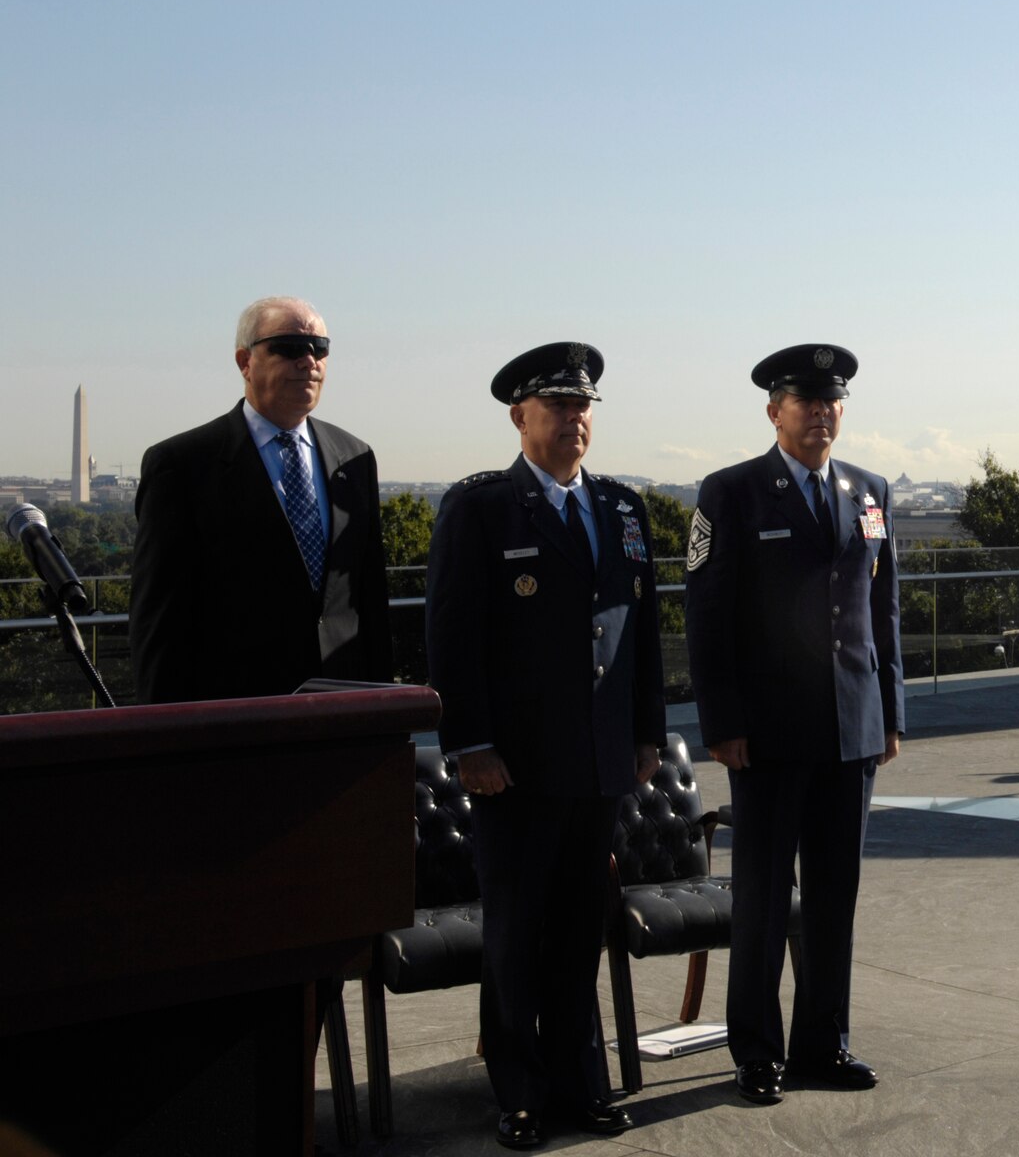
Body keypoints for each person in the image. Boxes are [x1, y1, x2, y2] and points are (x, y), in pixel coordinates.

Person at [426, 342, 665, 1151]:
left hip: (599, 761)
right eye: (558, 406)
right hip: (516, 767)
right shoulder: (482, 508)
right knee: (516, 936)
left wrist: (646, 735)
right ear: (519, 416)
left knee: (576, 934)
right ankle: (519, 1091)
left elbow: (643, 637)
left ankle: (581, 1084)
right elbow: (454, 639)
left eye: (584, 406)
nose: (575, 419)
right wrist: (471, 745)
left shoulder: (623, 509)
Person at [685, 343, 903, 1107]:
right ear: (773, 411)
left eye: (830, 399)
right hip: (768, 736)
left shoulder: (868, 491)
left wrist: (891, 713)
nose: (819, 411)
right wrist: (724, 722)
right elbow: (707, 621)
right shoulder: (734, 493)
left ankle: (824, 1043)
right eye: (803, 399)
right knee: (764, 897)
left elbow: (883, 613)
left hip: (852, 731)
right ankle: (756, 1050)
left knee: (835, 896)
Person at [130, 296, 390, 704]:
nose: (308, 361)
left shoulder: (355, 457)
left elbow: (369, 599)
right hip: (236, 720)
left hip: (346, 709)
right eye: (288, 347)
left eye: (319, 349)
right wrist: (164, 739)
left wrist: (384, 709)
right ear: (244, 362)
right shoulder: (182, 465)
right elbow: (159, 622)